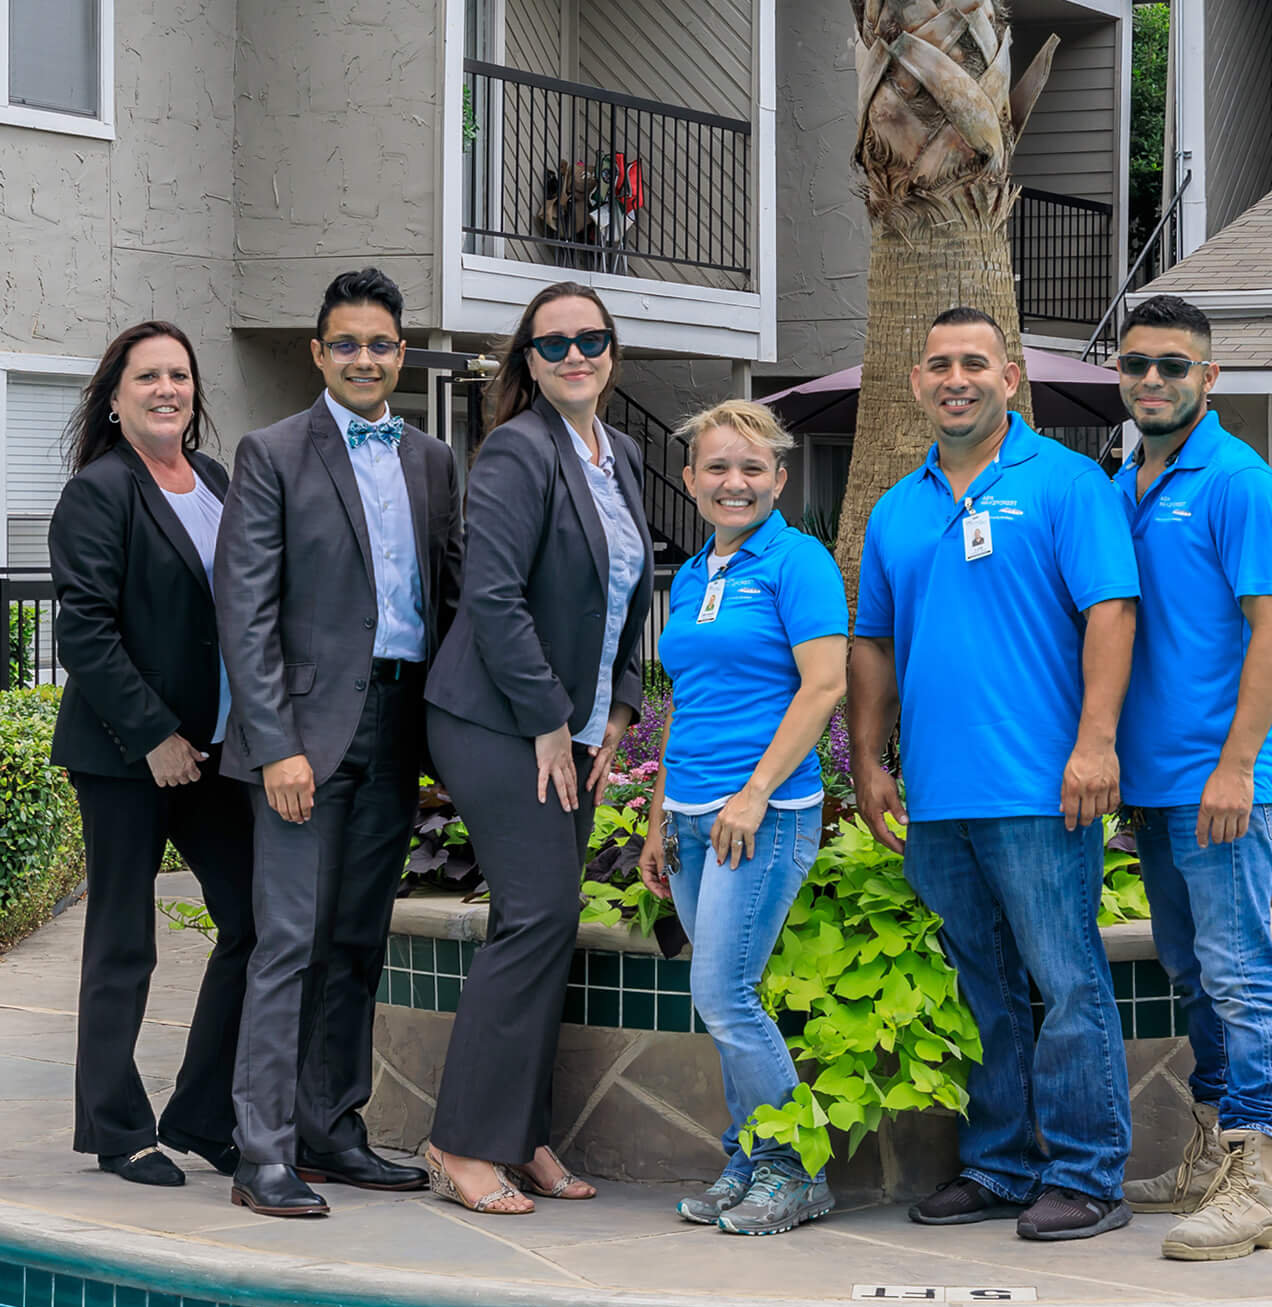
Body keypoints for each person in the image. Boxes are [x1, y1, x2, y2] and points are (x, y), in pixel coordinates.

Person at [850, 306, 1141, 1243]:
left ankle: (1090, 1175)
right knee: (986, 989)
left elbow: (1111, 614)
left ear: (1010, 377)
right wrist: (868, 759)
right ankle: (1003, 1166)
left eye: (975, 363)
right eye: (938, 364)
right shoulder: (899, 508)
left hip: (1040, 790)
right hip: (939, 796)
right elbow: (875, 644)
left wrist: (1095, 744)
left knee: (1066, 982)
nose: (956, 379)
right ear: (915, 383)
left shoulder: (1065, 483)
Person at [215, 268, 463, 1218]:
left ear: (402, 355)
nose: (366, 359)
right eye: (347, 344)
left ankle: (332, 1128)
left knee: (358, 939)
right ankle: (262, 1149)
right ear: (319, 354)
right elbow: (246, 611)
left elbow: (450, 596)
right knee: (289, 940)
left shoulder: (433, 460)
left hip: (400, 726)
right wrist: (276, 744)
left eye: (382, 345)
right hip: (305, 739)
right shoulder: (272, 452)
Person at [421, 282, 654, 1215]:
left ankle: (526, 1137)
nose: (573, 356)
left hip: (577, 728)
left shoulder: (624, 455)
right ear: (527, 361)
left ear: (611, 352)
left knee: (550, 924)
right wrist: (552, 720)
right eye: (552, 344)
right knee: (536, 913)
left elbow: (631, 593)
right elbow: (494, 598)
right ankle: (461, 1142)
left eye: (589, 340)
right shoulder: (519, 450)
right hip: (495, 721)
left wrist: (624, 706)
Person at [1110, 293, 1272, 1261]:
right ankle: (1208, 1154)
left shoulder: (1237, 480)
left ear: (1208, 378)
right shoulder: (1126, 481)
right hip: (1150, 779)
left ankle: (1259, 1177)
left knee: (1238, 974)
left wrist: (1237, 768)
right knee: (1194, 972)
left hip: (1216, 780)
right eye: (1138, 363)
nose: (1154, 380)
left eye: (1173, 365)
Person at [48, 320, 256, 1189]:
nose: (167, 388)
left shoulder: (213, 480)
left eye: (180, 375)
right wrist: (153, 737)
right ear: (116, 395)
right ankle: (115, 1127)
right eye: (148, 377)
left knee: (256, 921)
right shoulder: (100, 492)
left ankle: (205, 1115)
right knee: (124, 941)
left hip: (214, 752)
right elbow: (84, 632)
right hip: (126, 754)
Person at [637, 401, 848, 1237]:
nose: (736, 482)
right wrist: (659, 818)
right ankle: (748, 1155)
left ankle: (793, 1170)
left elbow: (824, 685)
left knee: (724, 995)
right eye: (718, 467)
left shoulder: (799, 563)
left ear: (779, 481)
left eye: (753, 469)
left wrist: (754, 793)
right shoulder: (694, 574)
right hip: (692, 818)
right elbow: (683, 704)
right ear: (690, 482)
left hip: (763, 816)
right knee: (726, 998)